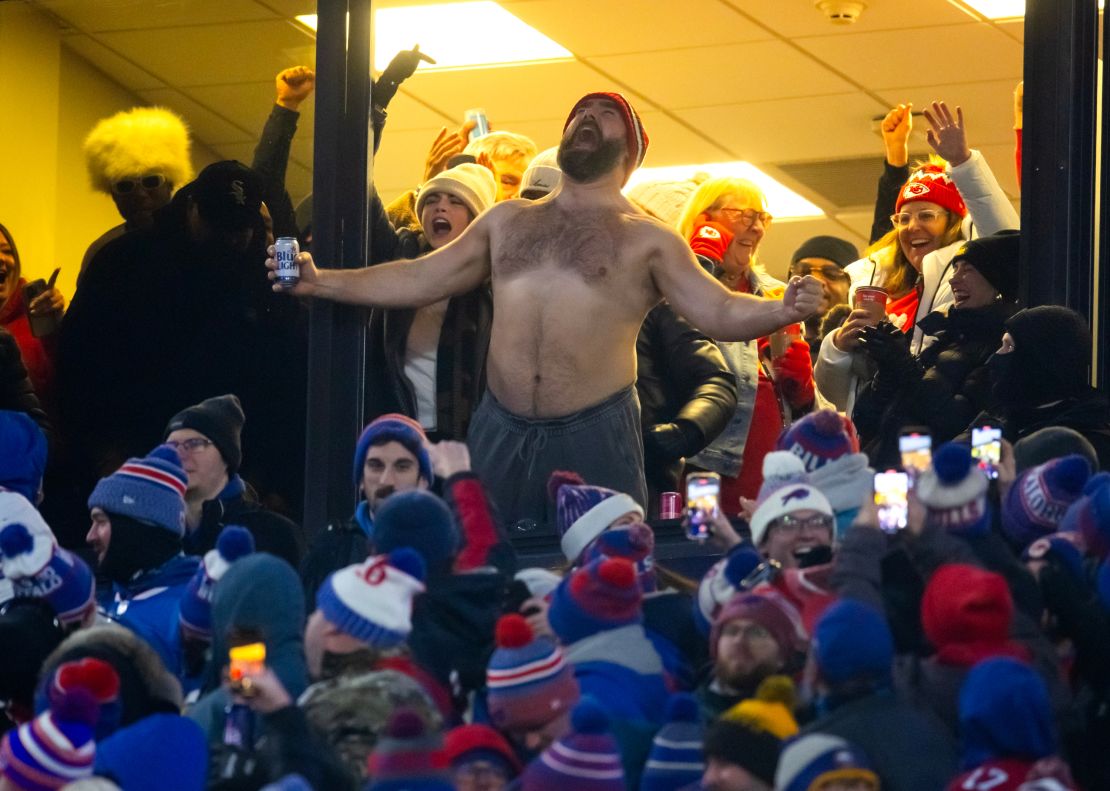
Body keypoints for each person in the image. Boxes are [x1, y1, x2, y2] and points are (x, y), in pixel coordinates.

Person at [269, 92, 823, 533]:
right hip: (499, 424)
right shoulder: (507, 221)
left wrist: (782, 308)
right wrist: (324, 283)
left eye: (606, 116)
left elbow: (719, 310)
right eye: (580, 112)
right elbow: (421, 276)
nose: (587, 118)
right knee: (484, 564)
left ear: (630, 154)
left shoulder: (648, 240)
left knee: (603, 568)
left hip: (597, 429)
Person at [60, 160, 303, 510]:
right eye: (218, 224)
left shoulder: (263, 280)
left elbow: (283, 380)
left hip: (234, 480)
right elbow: (79, 362)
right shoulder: (127, 263)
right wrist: (104, 453)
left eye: (240, 226)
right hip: (135, 462)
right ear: (192, 207)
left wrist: (268, 479)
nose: (231, 236)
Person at [815, 101, 1019, 413]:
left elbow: (1006, 235)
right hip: (881, 446)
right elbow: (838, 400)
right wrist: (838, 347)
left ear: (953, 222)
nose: (913, 227)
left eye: (926, 215)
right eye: (903, 218)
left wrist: (962, 163)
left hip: (952, 438)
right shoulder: (877, 286)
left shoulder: (968, 280)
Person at [677, 177, 817, 507]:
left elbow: (805, 408)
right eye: (744, 216)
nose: (756, 229)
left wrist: (804, 389)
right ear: (703, 222)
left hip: (772, 471)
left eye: (762, 219)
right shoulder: (673, 291)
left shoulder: (777, 295)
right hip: (703, 470)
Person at [852, 231, 1021, 467]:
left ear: (998, 285)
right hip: (894, 484)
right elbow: (866, 419)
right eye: (955, 269)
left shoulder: (1004, 348)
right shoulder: (945, 339)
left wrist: (903, 364)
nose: (954, 279)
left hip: (939, 489)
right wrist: (887, 366)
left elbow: (954, 423)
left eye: (968, 270)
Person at [366, 163, 497, 439]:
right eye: (432, 200)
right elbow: (362, 192)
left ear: (476, 220)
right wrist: (371, 123)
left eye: (456, 201)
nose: (440, 207)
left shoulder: (494, 284)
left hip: (467, 446)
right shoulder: (400, 257)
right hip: (399, 441)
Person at [299, 550, 446, 781]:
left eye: (319, 611)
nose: (310, 620)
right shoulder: (409, 685)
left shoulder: (349, 703)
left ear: (334, 627)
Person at [85, 446, 199, 678]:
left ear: (135, 528)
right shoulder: (102, 596)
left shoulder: (193, 609)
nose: (90, 536)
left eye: (101, 522)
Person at [163, 394, 301, 567]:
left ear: (227, 456)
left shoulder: (274, 534)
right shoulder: (153, 538)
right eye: (171, 446)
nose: (180, 454)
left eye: (195, 443)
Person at [978, 306, 1110, 467]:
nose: (994, 358)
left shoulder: (1085, 446)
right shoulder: (995, 420)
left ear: (1041, 361)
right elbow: (979, 481)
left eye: (1009, 347)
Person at [79, 106, 193, 273]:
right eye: (124, 185)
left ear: (169, 184)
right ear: (113, 195)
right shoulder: (102, 252)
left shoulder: (195, 241)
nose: (139, 194)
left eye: (151, 181)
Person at [697, 590, 807, 721]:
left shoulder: (806, 709)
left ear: (782, 656)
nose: (739, 640)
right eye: (731, 631)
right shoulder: (693, 718)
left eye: (756, 633)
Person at [0, 223, 65, 408]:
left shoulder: (38, 319)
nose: (1, 258)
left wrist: (59, 326)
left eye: (7, 251)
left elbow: (69, 381)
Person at [789, 235, 859, 363]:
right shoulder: (765, 344)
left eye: (831, 274)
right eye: (803, 272)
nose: (815, 280)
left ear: (851, 287)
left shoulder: (862, 350)